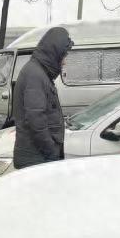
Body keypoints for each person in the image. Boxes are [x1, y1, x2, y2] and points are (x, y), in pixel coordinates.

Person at [12, 27, 74, 169]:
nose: (64, 62)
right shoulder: (35, 75)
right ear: (54, 53)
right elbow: (35, 119)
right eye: (63, 56)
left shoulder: (39, 73)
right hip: (36, 159)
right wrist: (51, 151)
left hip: (37, 157)